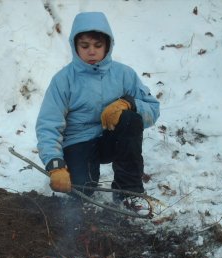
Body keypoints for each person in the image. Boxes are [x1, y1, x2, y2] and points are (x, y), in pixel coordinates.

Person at [36, 11, 160, 211]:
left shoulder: (124, 74)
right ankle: (81, 177)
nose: (91, 52)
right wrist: (55, 164)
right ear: (75, 46)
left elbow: (153, 108)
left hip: (110, 138)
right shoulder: (63, 79)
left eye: (98, 46)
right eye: (84, 46)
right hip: (78, 141)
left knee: (129, 119)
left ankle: (128, 193)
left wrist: (129, 103)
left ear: (108, 45)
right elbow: (48, 124)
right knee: (81, 189)